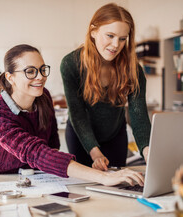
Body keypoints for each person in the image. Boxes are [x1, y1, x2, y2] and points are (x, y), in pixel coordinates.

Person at [0, 44, 144, 186]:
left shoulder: (43, 97)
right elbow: (35, 152)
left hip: (37, 180)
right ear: (11, 77)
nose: (40, 77)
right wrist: (103, 177)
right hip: (1, 182)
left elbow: (52, 143)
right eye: (30, 71)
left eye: (42, 69)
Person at [60, 3, 151, 171]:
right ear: (93, 31)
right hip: (80, 136)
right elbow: (77, 113)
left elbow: (138, 114)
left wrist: (147, 150)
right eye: (110, 35)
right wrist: (95, 153)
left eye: (123, 38)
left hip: (115, 136)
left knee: (118, 185)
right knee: (84, 187)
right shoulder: (71, 64)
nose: (116, 45)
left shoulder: (133, 68)